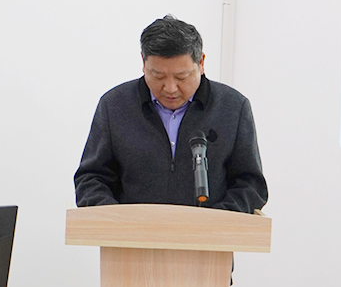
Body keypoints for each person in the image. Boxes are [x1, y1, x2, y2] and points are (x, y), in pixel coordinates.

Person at [74, 15, 267, 213]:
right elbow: (91, 179)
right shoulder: (114, 106)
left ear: (201, 63)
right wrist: (118, 219)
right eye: (158, 76)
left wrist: (215, 222)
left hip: (211, 231)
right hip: (130, 230)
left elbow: (250, 185)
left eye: (181, 77)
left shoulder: (233, 108)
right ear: (143, 62)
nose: (170, 88)